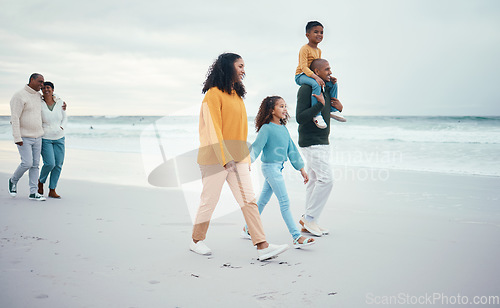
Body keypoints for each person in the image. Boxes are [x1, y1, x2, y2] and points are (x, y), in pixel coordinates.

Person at [190, 53, 289, 261]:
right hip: (214, 158)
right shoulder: (213, 94)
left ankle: (262, 246)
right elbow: (213, 129)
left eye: (244, 66)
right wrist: (226, 158)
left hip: (238, 158)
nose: (244, 70)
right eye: (240, 66)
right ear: (228, 68)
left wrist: (244, 157)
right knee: (209, 201)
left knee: (249, 201)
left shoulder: (237, 95)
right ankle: (196, 241)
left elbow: (240, 131)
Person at [241, 96, 315, 249]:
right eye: (281, 106)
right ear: (271, 110)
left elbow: (291, 149)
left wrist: (301, 168)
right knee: (285, 202)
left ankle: (248, 228)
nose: (284, 109)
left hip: (278, 168)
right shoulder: (266, 128)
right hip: (270, 168)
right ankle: (296, 237)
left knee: (262, 201)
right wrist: (248, 161)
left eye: (285, 106)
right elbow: (256, 147)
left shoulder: (283, 128)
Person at [296, 58, 343, 236]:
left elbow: (331, 111)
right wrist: (319, 105)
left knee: (315, 181)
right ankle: (308, 218)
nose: (330, 72)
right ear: (316, 71)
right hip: (311, 141)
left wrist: (338, 105)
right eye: (327, 69)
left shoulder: (324, 88)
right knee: (327, 180)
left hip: (322, 141)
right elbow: (300, 117)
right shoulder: (306, 89)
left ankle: (310, 222)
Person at [295, 20, 346, 128]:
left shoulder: (318, 50)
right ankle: (316, 115)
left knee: (333, 84)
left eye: (321, 32)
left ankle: (332, 110)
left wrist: (327, 77)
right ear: (308, 35)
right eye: (316, 32)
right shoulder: (305, 49)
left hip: (313, 75)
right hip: (301, 75)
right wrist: (315, 77)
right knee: (316, 84)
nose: (319, 34)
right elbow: (304, 67)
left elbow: (318, 67)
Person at [8, 73, 46, 201]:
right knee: (27, 163)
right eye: (40, 82)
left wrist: (62, 103)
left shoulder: (38, 96)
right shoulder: (19, 96)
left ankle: (33, 192)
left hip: (38, 136)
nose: (42, 85)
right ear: (32, 80)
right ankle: (13, 180)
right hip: (24, 137)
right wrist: (17, 137)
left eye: (43, 83)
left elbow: (51, 99)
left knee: (35, 165)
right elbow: (14, 117)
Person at [37, 81, 67, 199]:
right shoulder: (39, 103)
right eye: (43, 88)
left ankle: (52, 189)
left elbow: (65, 117)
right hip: (45, 137)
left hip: (59, 137)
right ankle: (41, 181)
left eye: (48, 87)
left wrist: (61, 127)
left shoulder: (60, 102)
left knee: (58, 164)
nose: (46, 90)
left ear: (53, 89)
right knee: (50, 163)